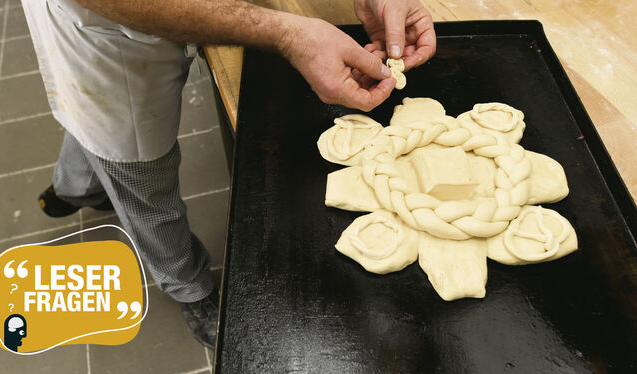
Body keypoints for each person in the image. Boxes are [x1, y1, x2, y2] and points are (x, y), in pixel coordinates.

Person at [22, 0, 436, 348]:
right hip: (112, 31)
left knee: (99, 136)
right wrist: (286, 34)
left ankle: (75, 186)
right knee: (133, 167)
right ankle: (190, 287)